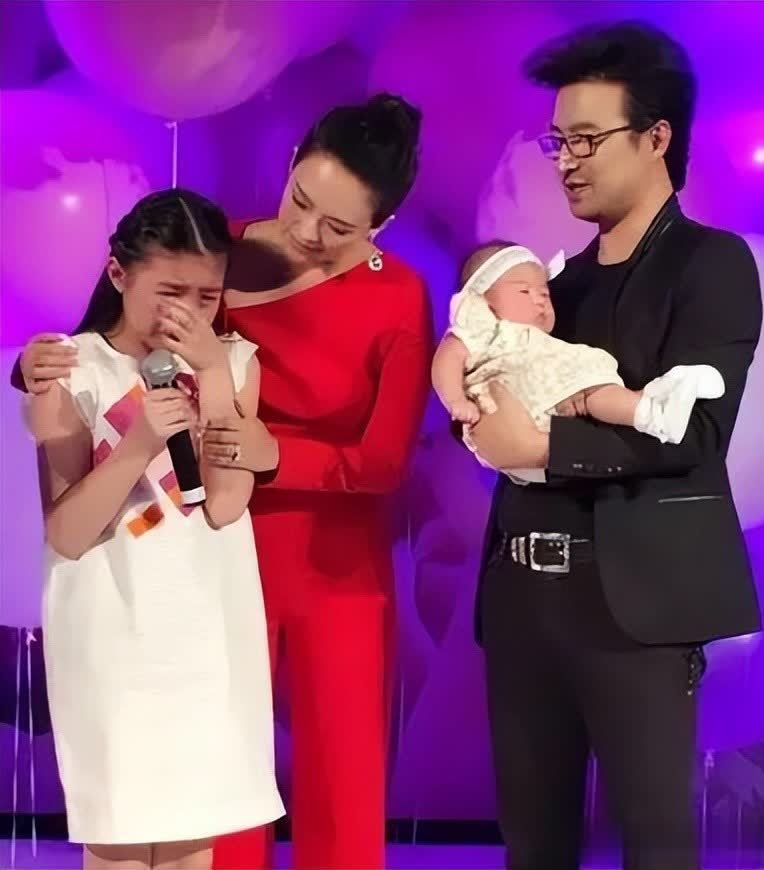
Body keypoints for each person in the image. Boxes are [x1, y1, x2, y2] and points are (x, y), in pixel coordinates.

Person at [18, 93, 432, 870]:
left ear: (381, 225)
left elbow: (384, 460)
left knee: (342, 781)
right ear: (291, 165)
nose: (307, 232)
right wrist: (29, 367)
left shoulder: (398, 294)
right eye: (300, 200)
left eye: (339, 228)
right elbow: (114, 338)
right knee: (221, 783)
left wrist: (274, 454)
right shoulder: (217, 248)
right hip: (209, 546)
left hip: (332, 560)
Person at [466, 23, 762, 870]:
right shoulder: (550, 289)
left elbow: (697, 433)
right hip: (522, 598)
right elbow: (488, 381)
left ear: (657, 137)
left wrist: (546, 444)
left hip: (637, 607)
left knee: (656, 843)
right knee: (533, 845)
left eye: (587, 140)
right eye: (557, 142)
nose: (566, 161)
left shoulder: (711, 265)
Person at [23, 189, 283, 870]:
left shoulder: (236, 363)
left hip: (206, 631)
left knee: (193, 838)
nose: (188, 313)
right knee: (121, 834)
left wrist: (214, 374)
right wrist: (138, 443)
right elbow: (68, 532)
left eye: (206, 296)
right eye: (170, 292)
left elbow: (225, 505)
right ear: (119, 273)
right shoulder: (71, 368)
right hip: (113, 630)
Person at [432, 240, 725, 486]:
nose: (540, 300)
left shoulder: (543, 344)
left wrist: (537, 445)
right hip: (506, 407)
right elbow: (446, 361)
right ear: (480, 301)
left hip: (553, 402)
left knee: (592, 389)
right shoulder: (480, 330)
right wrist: (456, 400)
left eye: (544, 293)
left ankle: (650, 410)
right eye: (524, 291)